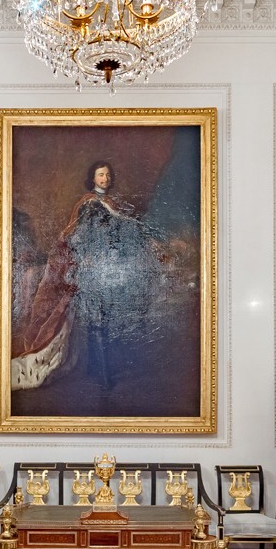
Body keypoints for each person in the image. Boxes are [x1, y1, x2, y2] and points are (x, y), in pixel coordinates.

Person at [12, 160, 162, 393]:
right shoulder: (89, 205)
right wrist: (88, 258)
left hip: (110, 270)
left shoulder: (112, 205)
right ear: (93, 178)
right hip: (90, 270)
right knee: (96, 321)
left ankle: (96, 369)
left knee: (107, 320)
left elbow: (126, 231)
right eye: (101, 175)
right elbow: (77, 237)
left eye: (107, 175)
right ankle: (102, 375)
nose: (105, 178)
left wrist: (147, 242)